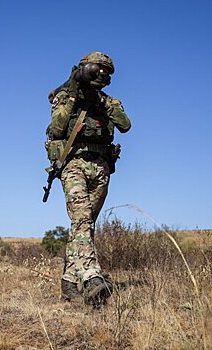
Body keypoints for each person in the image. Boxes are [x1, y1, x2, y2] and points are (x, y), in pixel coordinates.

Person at [46, 52, 131, 307]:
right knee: (81, 219)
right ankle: (92, 277)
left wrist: (100, 101)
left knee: (85, 225)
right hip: (74, 164)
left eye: (108, 71)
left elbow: (125, 125)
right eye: (98, 69)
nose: (103, 74)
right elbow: (57, 128)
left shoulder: (109, 101)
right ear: (85, 68)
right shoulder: (66, 96)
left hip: (102, 167)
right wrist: (74, 93)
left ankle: (69, 282)